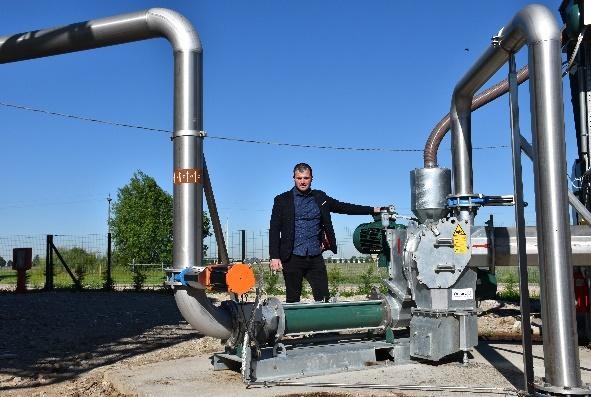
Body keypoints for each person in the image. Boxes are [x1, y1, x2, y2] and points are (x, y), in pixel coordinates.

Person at [269, 162, 381, 303]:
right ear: (294, 178)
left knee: (323, 298)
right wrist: (274, 256)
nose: (303, 182)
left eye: (306, 178)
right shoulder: (281, 200)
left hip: (315, 256)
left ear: (311, 179)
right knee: (292, 300)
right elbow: (274, 229)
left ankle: (319, 324)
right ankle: (295, 325)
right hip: (292, 257)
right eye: (299, 178)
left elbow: (343, 207)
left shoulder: (320, 197)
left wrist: (372, 210)